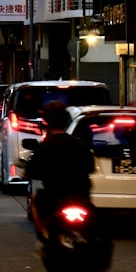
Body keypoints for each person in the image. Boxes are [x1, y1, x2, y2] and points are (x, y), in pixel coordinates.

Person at [24, 101, 95, 237]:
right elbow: (90, 167)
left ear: (47, 122)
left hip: (54, 198)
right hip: (81, 197)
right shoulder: (79, 144)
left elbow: (32, 171)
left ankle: (44, 235)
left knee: (35, 201)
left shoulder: (44, 147)